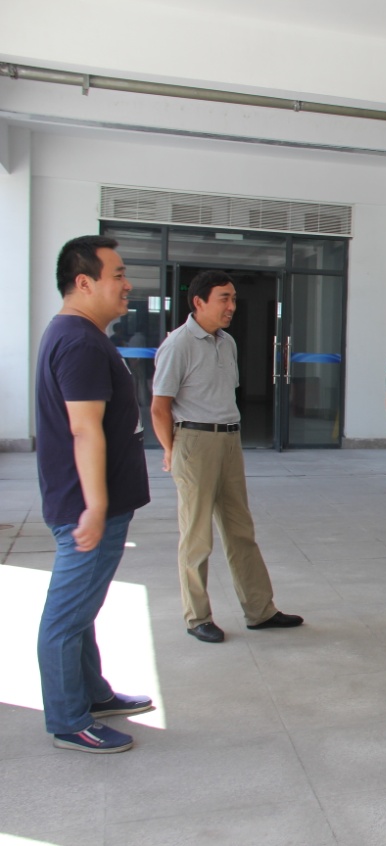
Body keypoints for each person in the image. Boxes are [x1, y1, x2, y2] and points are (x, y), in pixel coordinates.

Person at [35, 235, 154, 753]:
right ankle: (68, 720)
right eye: (118, 274)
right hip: (87, 505)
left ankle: (94, 695)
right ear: (84, 282)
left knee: (80, 610)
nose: (127, 284)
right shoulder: (80, 342)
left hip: (88, 500)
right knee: (66, 618)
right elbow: (84, 430)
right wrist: (97, 505)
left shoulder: (79, 334)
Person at [151, 270, 303, 643]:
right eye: (224, 298)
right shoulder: (178, 344)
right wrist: (172, 451)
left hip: (230, 440)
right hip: (195, 442)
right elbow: (159, 407)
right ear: (199, 301)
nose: (232, 306)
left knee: (240, 531)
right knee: (197, 536)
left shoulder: (227, 342)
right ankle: (197, 617)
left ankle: (260, 610)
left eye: (234, 298)